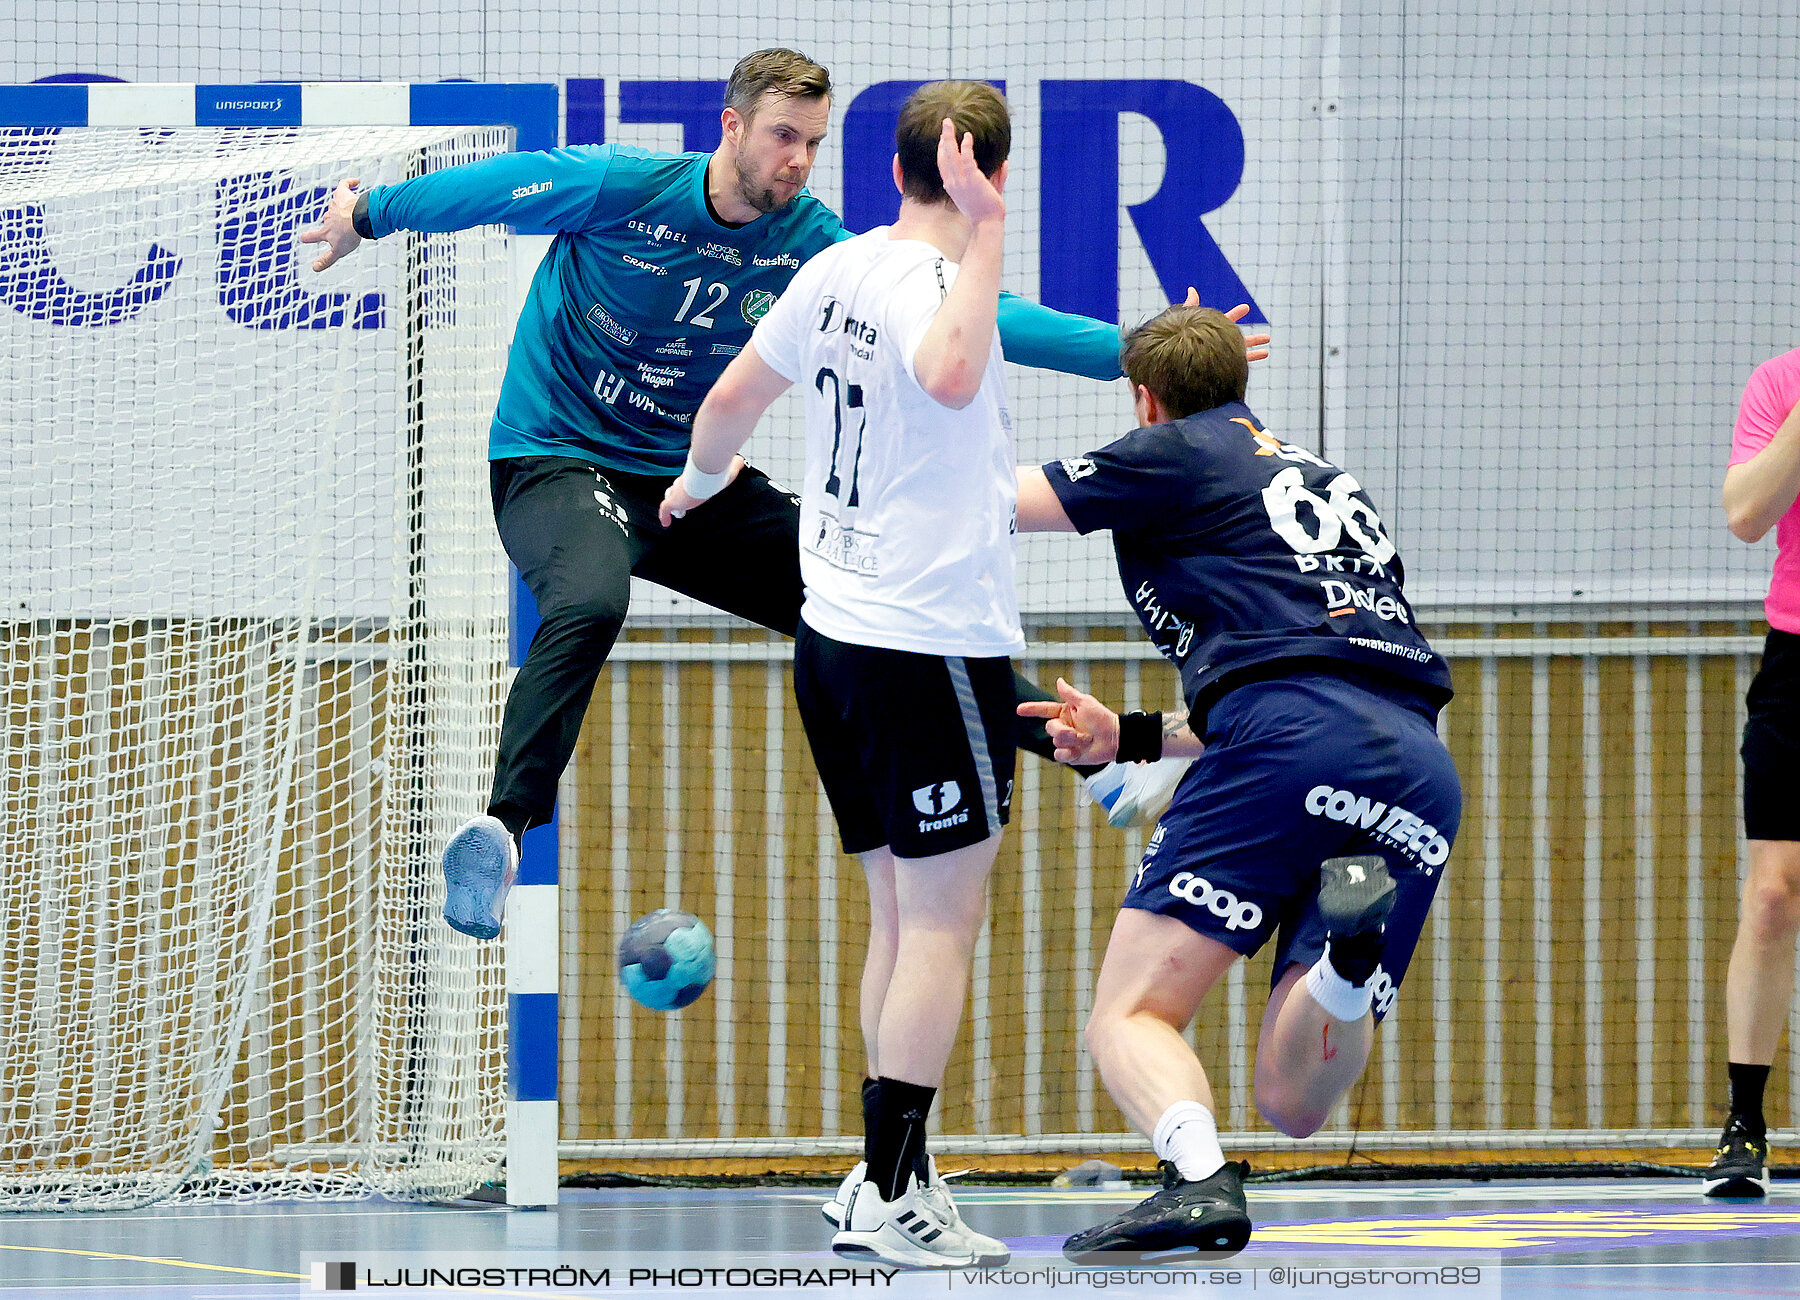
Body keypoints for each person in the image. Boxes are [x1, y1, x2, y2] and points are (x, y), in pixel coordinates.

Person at [298, 48, 1193, 944]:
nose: (797, 159)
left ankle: (1105, 768)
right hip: (558, 460)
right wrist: (368, 214)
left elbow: (980, 317)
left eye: (813, 142)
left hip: (692, 482)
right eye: (781, 137)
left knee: (872, 608)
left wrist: (1138, 350)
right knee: (591, 599)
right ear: (731, 127)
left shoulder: (812, 243)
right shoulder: (625, 187)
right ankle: (505, 826)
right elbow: (503, 186)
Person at [659, 80, 1020, 1270]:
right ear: (978, 170)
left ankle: (881, 1178)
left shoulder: (835, 268)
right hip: (924, 643)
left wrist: (703, 486)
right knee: (941, 930)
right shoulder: (932, 281)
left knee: (899, 914)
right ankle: (902, 1191)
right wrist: (993, 227)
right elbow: (956, 373)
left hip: (834, 636)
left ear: (892, 162)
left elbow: (726, 404)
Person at [1013, 303, 1460, 1262]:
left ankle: (1197, 1179)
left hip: (1285, 738)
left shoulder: (1171, 450)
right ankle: (1347, 961)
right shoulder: (1328, 478)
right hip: (1417, 766)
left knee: (1129, 1014)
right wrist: (1132, 736)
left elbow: (997, 503)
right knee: (1294, 1103)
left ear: (1146, 398)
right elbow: (1322, 675)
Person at [1711, 346, 1800, 1197]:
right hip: (1797, 661)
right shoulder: (1781, 382)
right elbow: (1745, 512)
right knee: (1773, 892)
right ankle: (1746, 1123)